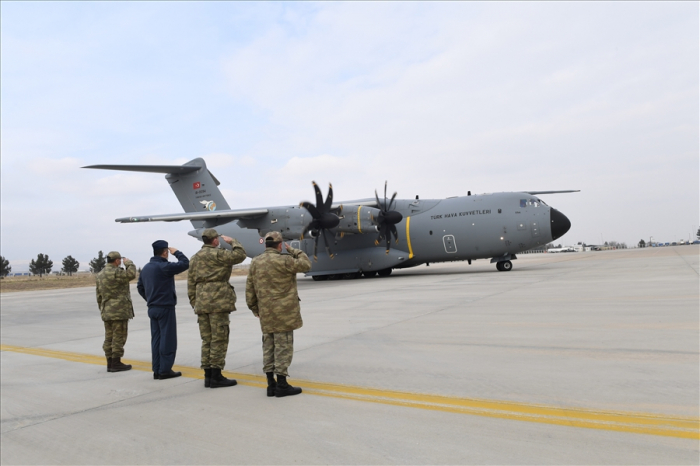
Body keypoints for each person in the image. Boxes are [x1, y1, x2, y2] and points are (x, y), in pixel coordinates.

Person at [245, 231, 311, 397]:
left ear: (265, 244)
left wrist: (254, 308)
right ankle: (282, 384)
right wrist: (294, 251)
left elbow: (249, 288)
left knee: (268, 346)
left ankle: (270, 385)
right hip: (284, 313)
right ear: (280, 245)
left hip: (266, 313)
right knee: (283, 347)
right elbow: (306, 264)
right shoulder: (285, 260)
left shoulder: (255, 262)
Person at [188, 229, 247, 388]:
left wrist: (195, 302)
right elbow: (240, 255)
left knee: (207, 339)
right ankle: (216, 375)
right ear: (214, 240)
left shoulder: (195, 258)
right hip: (218, 302)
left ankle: (208, 375)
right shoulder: (219, 254)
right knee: (219, 338)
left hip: (201, 302)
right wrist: (233, 241)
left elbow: (191, 283)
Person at [137, 240, 189, 380]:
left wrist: (150, 299)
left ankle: (157, 369)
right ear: (165, 252)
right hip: (165, 307)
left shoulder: (146, 268)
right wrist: (177, 252)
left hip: (152, 307)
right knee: (168, 339)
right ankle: (165, 370)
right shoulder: (164, 266)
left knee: (156, 339)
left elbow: (140, 287)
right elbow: (185, 263)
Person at [96, 251, 137, 373]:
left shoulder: (100, 274)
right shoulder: (116, 272)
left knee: (109, 337)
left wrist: (103, 308)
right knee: (119, 336)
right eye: (120, 260)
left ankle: (109, 362)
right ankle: (116, 362)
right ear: (117, 260)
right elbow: (131, 274)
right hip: (119, 310)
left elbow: (98, 295)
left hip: (106, 310)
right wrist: (129, 263)